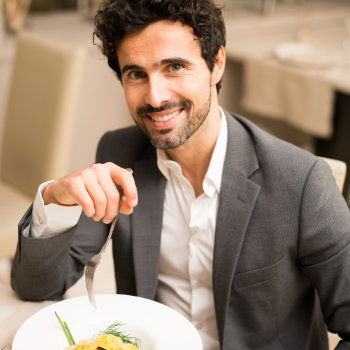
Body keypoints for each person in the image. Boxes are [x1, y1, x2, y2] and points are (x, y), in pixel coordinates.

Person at [11, 0, 350, 349]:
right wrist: (55, 200)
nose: (155, 97)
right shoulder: (118, 154)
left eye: (174, 66)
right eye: (136, 74)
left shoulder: (303, 181)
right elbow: (37, 287)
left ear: (216, 63)